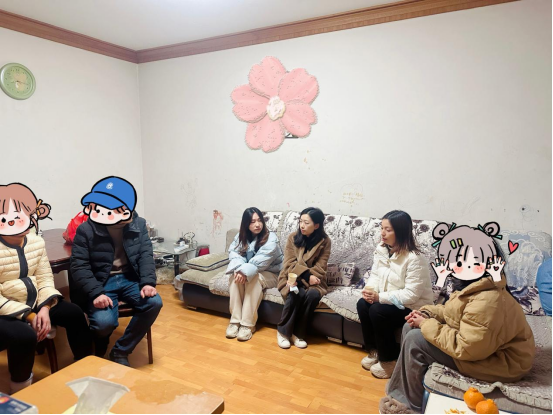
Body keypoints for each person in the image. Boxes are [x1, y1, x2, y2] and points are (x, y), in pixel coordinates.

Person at [381, 222, 536, 414]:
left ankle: (409, 406)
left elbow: (467, 348)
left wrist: (426, 324)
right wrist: (426, 313)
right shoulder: (473, 286)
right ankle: (405, 392)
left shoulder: (488, 299)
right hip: (482, 348)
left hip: (501, 363)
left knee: (415, 339)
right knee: (410, 327)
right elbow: (451, 312)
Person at [0, 183, 92, 394]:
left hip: (37, 302)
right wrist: (30, 316)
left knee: (75, 313)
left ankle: (86, 366)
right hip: (7, 310)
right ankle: (21, 389)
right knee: (24, 335)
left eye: (22, 214)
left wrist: (45, 308)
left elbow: (45, 278)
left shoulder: (36, 242)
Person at [70, 177, 162, 367]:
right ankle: (100, 340)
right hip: (101, 282)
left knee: (154, 302)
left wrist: (147, 282)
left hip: (130, 278)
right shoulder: (86, 229)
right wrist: (96, 293)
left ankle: (121, 350)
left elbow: (145, 255)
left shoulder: (138, 224)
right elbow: (79, 266)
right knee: (104, 324)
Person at [356, 210, 433, 379]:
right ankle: (374, 351)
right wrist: (370, 290)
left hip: (413, 307)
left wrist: (379, 298)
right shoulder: (382, 249)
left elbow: (411, 295)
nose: (382, 233)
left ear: (400, 231)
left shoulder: (415, 258)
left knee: (377, 310)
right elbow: (375, 275)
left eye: (388, 230)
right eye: (382, 228)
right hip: (390, 301)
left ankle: (389, 361)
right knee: (362, 304)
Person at [225, 208, 283, 341]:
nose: (257, 224)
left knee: (254, 279)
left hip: (272, 273)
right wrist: (239, 270)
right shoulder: (240, 236)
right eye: (252, 222)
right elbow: (234, 254)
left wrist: (244, 271)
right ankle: (235, 321)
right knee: (234, 276)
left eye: (259, 220)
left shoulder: (271, 238)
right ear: (246, 224)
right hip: (251, 270)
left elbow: (261, 261)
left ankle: (247, 325)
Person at [276, 207, 331, 349]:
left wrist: (311, 277)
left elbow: (320, 267)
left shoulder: (325, 241)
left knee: (312, 294)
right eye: (300, 221)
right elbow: (289, 264)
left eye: (306, 223)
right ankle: (283, 332)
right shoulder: (293, 238)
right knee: (296, 292)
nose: (302, 225)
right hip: (291, 276)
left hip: (315, 280)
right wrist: (307, 276)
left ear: (316, 225)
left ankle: (297, 333)